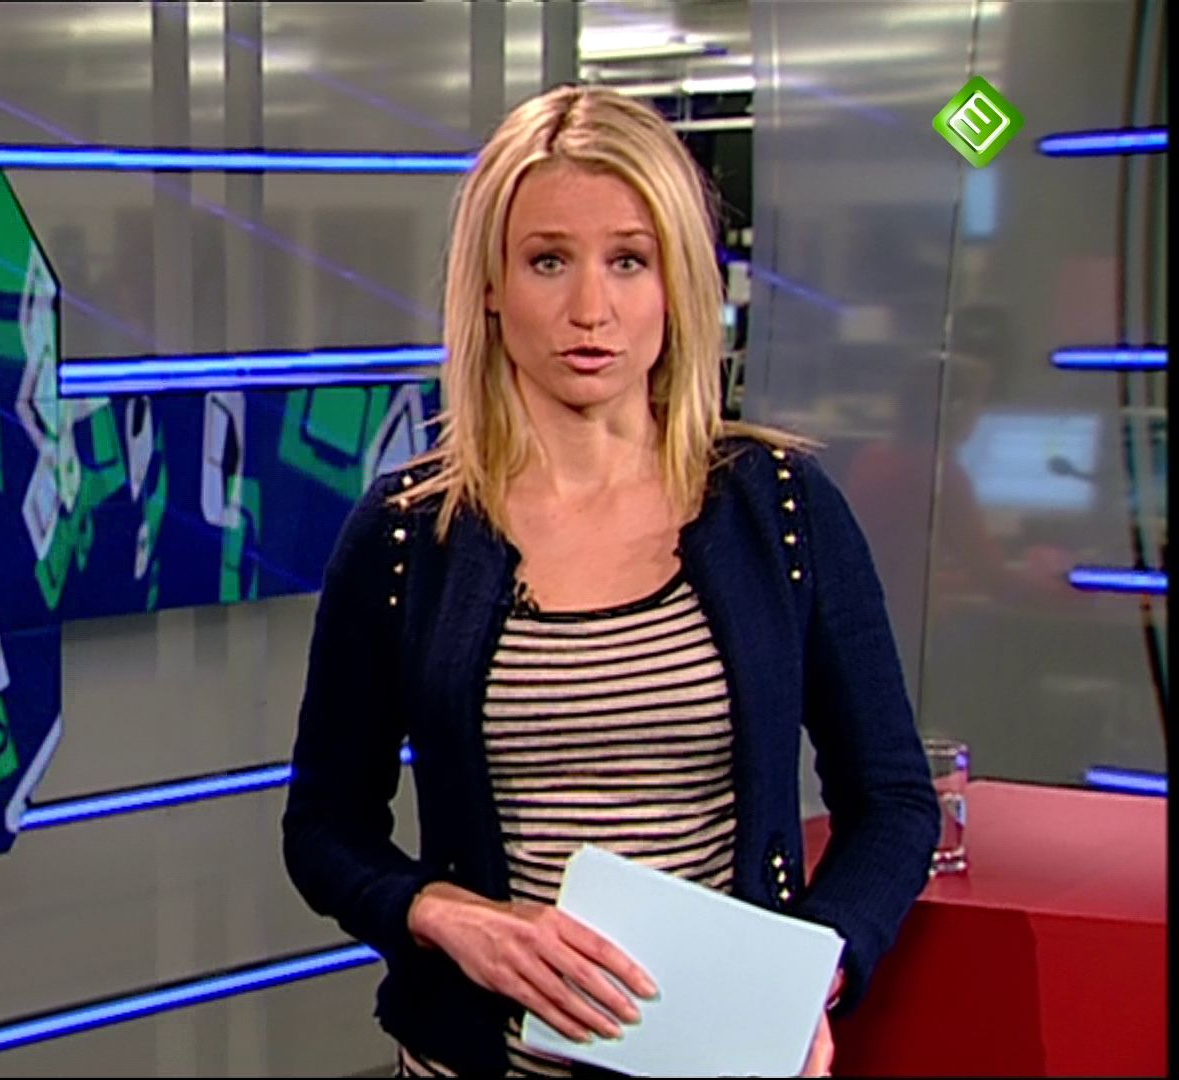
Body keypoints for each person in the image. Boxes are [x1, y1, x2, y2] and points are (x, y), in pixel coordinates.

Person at [281, 85, 940, 1078]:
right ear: (491, 284)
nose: (590, 310)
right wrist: (444, 913)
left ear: (677, 282)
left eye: (629, 260)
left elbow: (892, 802)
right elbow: (325, 828)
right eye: (548, 261)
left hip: (721, 1063)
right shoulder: (408, 535)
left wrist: (812, 972)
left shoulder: (781, 508)